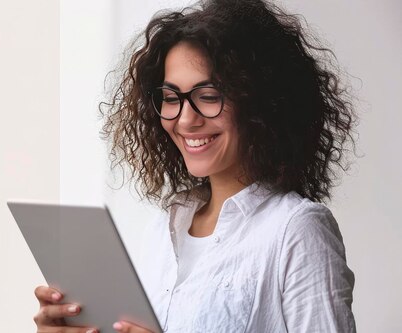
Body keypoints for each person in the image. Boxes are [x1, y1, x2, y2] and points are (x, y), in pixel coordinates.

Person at [33, 0, 357, 332]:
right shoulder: (162, 230)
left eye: (208, 94)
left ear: (260, 101)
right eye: (171, 98)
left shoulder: (295, 230)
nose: (186, 119)